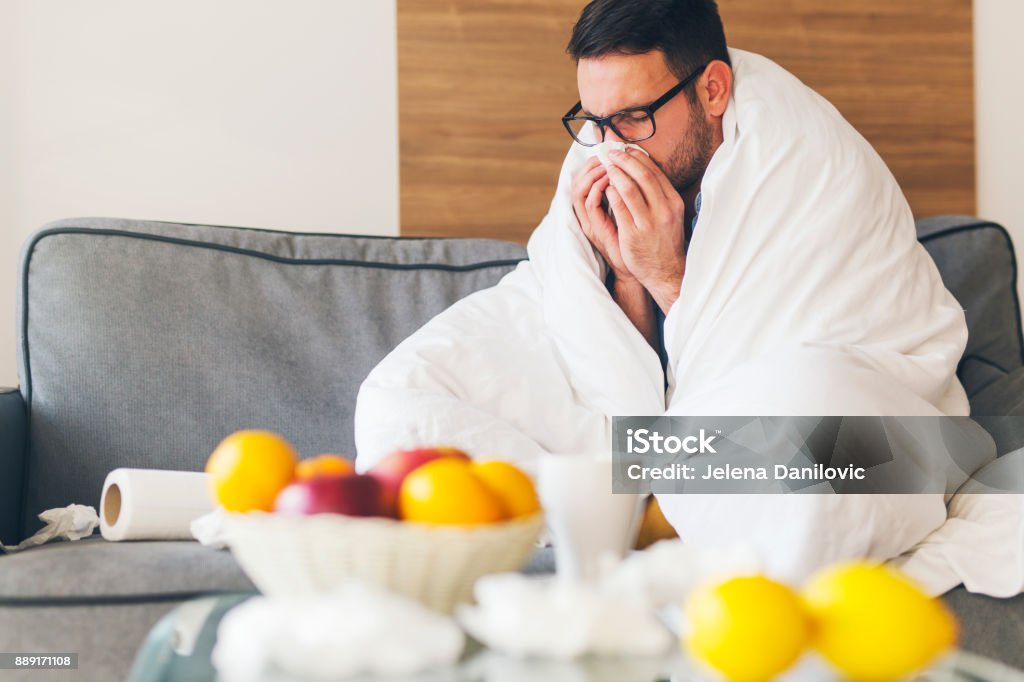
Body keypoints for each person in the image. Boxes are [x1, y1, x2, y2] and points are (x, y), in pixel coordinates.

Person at [355, 0, 1024, 594]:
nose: (611, 147)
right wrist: (625, 277)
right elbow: (593, 329)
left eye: (634, 117)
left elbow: (747, 381)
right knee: (401, 400)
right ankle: (647, 512)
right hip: (645, 433)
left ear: (712, 89)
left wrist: (670, 276)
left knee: (820, 438)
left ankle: (623, 514)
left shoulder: (801, 163)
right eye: (592, 121)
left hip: (842, 397)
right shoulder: (608, 143)